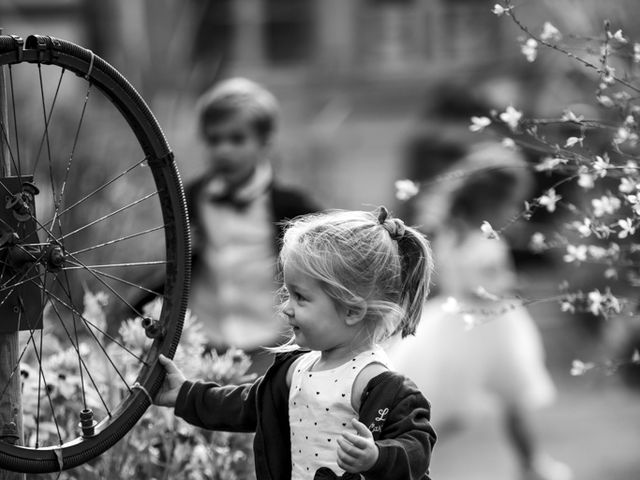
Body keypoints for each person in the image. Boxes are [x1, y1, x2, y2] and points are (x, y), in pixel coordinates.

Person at [155, 207, 437, 480]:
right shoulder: (296, 370)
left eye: (301, 297)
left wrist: (377, 457)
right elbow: (242, 406)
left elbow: (417, 448)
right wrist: (184, 394)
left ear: (352, 311)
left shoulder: (375, 383)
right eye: (288, 294)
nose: (287, 308)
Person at [387, 142, 572, 480]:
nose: (513, 211)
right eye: (510, 203)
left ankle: (532, 463)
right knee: (454, 412)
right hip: (479, 325)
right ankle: (405, 461)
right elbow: (474, 285)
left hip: (479, 324)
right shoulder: (473, 237)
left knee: (513, 401)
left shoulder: (455, 230)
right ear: (490, 201)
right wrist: (508, 285)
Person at [185, 77, 320, 372]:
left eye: (236, 139)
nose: (223, 150)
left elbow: (331, 243)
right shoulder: (191, 196)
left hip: (268, 339)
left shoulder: (290, 204)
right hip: (205, 336)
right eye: (214, 139)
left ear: (264, 143)